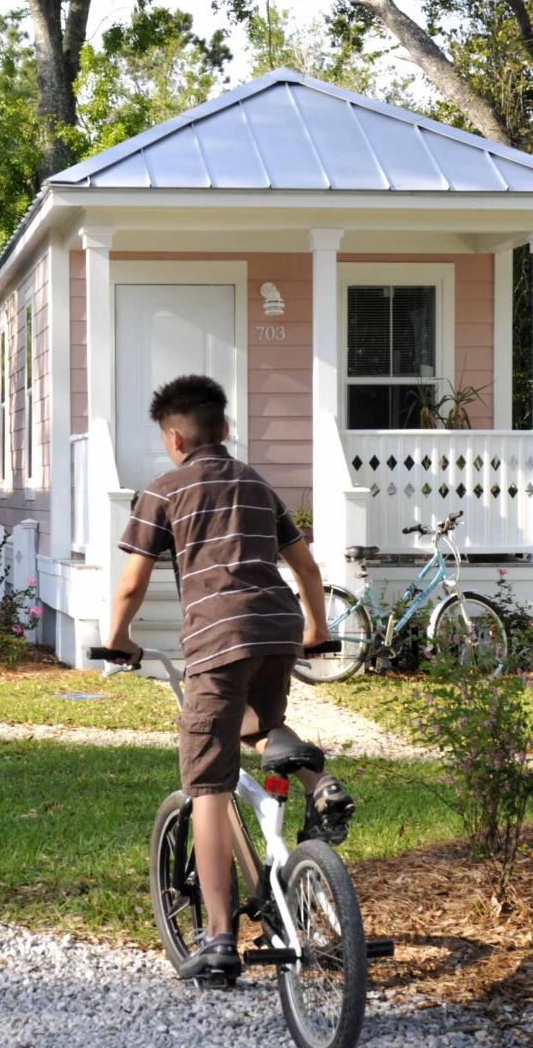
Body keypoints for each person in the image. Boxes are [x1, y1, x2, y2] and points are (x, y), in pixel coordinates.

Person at [103, 374, 354, 985]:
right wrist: (316, 630)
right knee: (259, 727)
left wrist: (117, 640)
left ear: (175, 438)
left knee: (207, 783)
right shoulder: (257, 485)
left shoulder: (164, 491)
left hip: (217, 639)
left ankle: (217, 937)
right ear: (225, 430)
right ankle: (320, 783)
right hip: (276, 628)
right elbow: (306, 566)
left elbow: (133, 581)